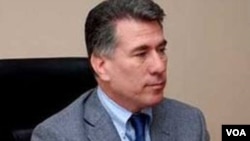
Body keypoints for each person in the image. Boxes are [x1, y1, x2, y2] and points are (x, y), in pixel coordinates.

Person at [31, 0, 210, 141]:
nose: (159, 66)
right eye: (141, 54)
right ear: (101, 66)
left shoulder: (190, 121)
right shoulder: (56, 136)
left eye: (161, 50)